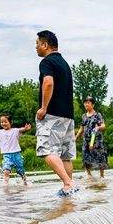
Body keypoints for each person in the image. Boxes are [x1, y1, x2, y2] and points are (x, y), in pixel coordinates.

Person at [34, 29, 77, 197]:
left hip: (52, 115)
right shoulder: (64, 64)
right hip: (68, 116)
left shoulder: (47, 62)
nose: (36, 47)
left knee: (48, 152)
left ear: (45, 45)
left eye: (37, 44)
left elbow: (48, 83)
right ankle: (70, 190)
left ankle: (68, 183)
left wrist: (44, 107)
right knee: (65, 156)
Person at [0, 114, 31, 185]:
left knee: (21, 171)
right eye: (2, 122)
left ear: (10, 122)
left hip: (16, 154)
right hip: (6, 155)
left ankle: (25, 182)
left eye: (5, 122)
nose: (3, 123)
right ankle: (6, 185)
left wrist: (26, 129)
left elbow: (21, 129)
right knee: (6, 171)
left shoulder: (15, 131)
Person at [75, 96, 107, 180]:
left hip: (97, 140)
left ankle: (102, 176)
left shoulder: (97, 115)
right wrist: (76, 137)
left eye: (88, 103)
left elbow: (103, 125)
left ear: (93, 104)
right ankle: (89, 176)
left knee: (100, 157)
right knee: (85, 157)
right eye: (85, 103)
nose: (86, 104)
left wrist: (98, 128)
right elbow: (81, 128)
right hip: (86, 140)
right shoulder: (84, 116)